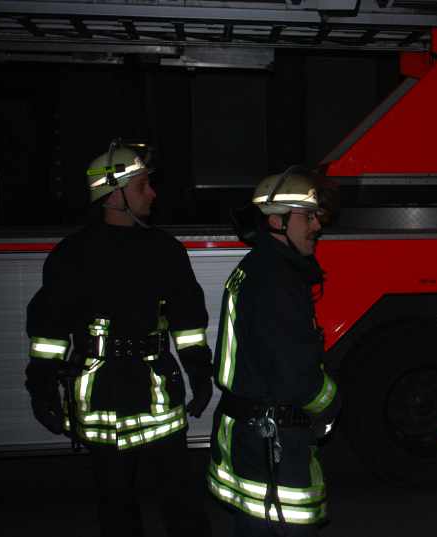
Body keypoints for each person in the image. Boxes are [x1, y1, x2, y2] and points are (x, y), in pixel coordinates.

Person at [25, 139, 213, 537]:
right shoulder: (71, 256)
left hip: (157, 401)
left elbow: (188, 322)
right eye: (143, 185)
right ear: (114, 195)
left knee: (183, 506)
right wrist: (41, 389)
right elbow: (48, 332)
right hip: (101, 402)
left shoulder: (165, 251)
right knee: (116, 509)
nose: (153, 194)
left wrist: (199, 372)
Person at [207, 166, 341, 537]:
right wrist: (332, 403)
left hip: (251, 435)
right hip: (271, 442)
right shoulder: (277, 281)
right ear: (276, 221)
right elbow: (296, 377)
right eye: (308, 217)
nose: (317, 225)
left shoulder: (260, 268)